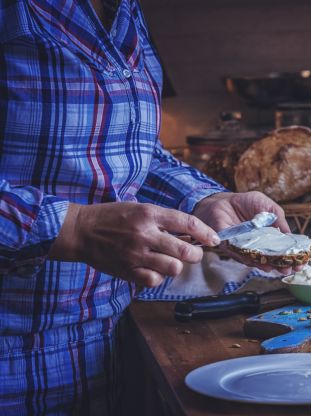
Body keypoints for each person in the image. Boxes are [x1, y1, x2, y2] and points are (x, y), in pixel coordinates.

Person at [0, 0, 294, 414]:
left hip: (108, 351)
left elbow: (127, 151)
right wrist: (73, 228)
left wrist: (206, 200)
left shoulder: (125, 10)